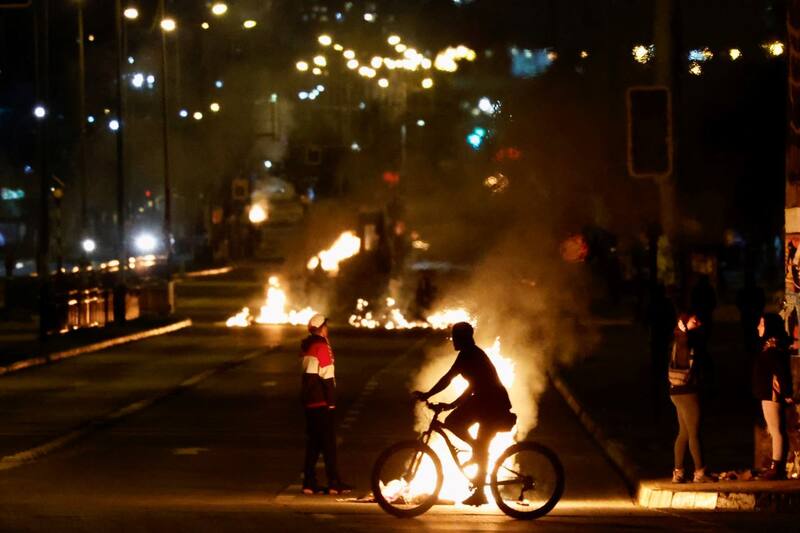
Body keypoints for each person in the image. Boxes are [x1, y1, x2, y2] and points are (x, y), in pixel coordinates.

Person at [413, 322, 516, 506]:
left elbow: (452, 380)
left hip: (492, 404)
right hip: (485, 402)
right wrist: (449, 404)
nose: (453, 340)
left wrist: (429, 396)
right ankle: (478, 459)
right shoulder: (468, 354)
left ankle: (480, 489)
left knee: (458, 425)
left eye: (455, 337)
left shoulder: (471, 355)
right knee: (469, 435)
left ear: (463, 338)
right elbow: (463, 384)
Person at [300, 314, 351, 495]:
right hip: (321, 402)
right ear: (322, 329)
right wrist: (331, 403)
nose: (327, 329)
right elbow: (327, 376)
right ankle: (334, 483)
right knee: (329, 444)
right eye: (326, 326)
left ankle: (309, 482)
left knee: (314, 444)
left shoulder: (307, 346)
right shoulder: (321, 346)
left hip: (310, 402)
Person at [668, 313, 712, 483]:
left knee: (684, 433)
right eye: (695, 321)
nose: (699, 323)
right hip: (687, 392)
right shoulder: (683, 340)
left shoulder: (683, 341)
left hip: (677, 391)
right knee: (694, 433)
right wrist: (682, 331)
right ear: (684, 324)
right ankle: (700, 472)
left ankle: (678, 472)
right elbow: (684, 344)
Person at [753, 313, 794, 480]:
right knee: (776, 430)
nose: (758, 327)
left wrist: (787, 392)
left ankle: (776, 467)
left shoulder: (773, 348)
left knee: (776, 430)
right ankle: (777, 466)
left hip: (772, 394)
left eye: (762, 324)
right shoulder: (770, 346)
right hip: (768, 394)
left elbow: (781, 373)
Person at [646, 283, 676, 418]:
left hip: (658, 337)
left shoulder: (655, 304)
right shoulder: (665, 304)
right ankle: (660, 383)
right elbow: (672, 319)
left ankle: (659, 383)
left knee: (659, 359)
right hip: (661, 336)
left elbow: (647, 319)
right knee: (661, 358)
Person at [736, 273, 765, 354]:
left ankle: (751, 349)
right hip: (750, 315)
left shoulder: (744, 291)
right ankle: (751, 349)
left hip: (751, 315)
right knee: (749, 333)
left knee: (751, 333)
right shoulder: (756, 291)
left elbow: (762, 302)